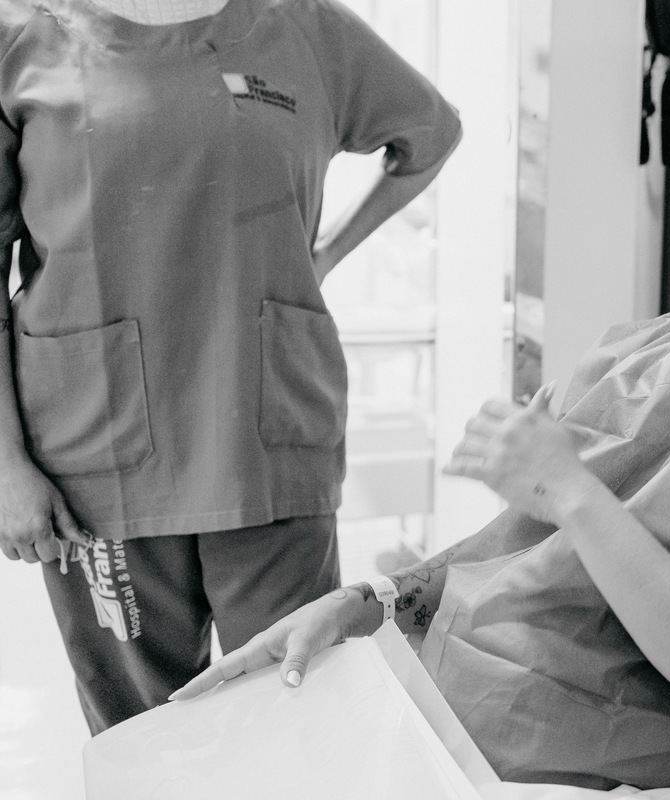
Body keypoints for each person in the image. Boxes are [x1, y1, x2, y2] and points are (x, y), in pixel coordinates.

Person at [174, 46, 670, 789]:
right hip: (455, 732)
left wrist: (574, 492)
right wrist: (367, 601)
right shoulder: (639, 351)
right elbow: (513, 545)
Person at [0, 0, 461, 733]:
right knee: (139, 740)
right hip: (95, 449)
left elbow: (430, 132)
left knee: (289, 719)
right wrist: (5, 462)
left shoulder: (306, 29)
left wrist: (331, 251)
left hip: (265, 437)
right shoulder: (24, 38)